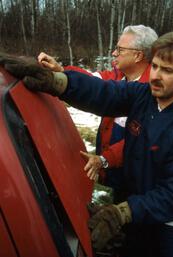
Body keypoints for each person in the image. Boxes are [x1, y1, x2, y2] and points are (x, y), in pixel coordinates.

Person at [1, 29, 173, 257]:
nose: (155, 75)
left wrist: (122, 213)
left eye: (166, 70)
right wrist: (58, 82)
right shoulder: (145, 96)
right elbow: (105, 92)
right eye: (154, 66)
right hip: (141, 206)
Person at [38, 25, 158, 203]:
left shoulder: (155, 90)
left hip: (141, 180)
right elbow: (91, 80)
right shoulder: (118, 76)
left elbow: (141, 138)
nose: (114, 53)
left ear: (138, 55)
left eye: (120, 49)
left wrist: (104, 159)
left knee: (134, 214)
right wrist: (61, 72)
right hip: (119, 173)